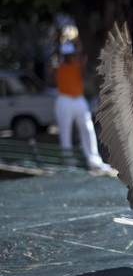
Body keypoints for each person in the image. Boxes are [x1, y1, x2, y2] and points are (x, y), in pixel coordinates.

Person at [52, 40, 115, 176]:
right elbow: (52, 78)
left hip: (79, 99)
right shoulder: (58, 67)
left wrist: (80, 62)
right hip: (64, 99)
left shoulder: (77, 65)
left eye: (71, 54)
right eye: (67, 55)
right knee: (65, 131)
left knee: (87, 128)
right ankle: (68, 162)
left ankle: (94, 161)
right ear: (63, 55)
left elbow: (85, 77)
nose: (69, 57)